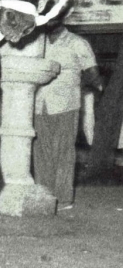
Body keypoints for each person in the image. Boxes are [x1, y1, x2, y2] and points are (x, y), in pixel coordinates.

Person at [33, 22, 103, 211]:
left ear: (62, 18)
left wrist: (79, 88)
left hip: (66, 104)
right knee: (40, 152)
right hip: (39, 104)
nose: (49, 21)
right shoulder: (37, 42)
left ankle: (63, 199)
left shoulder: (77, 43)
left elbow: (93, 74)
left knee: (63, 152)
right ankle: (44, 197)